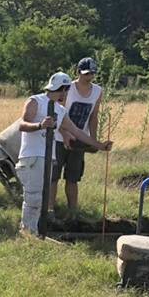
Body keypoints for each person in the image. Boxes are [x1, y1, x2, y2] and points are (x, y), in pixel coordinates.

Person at [16, 71, 112, 235]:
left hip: (47, 158)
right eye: (63, 90)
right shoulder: (35, 101)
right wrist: (40, 125)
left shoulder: (60, 111)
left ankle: (35, 231)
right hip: (32, 156)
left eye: (66, 90)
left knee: (41, 198)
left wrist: (100, 145)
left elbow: (77, 132)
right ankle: (26, 232)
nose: (65, 94)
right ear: (56, 88)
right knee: (33, 197)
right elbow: (22, 125)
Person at [50, 56, 103, 213]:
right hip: (59, 139)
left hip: (79, 140)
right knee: (53, 177)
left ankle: (73, 211)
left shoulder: (98, 91)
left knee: (73, 178)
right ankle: (50, 210)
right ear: (78, 72)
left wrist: (92, 140)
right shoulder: (68, 88)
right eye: (86, 73)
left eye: (92, 73)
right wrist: (65, 133)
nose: (89, 77)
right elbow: (56, 113)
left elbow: (93, 117)